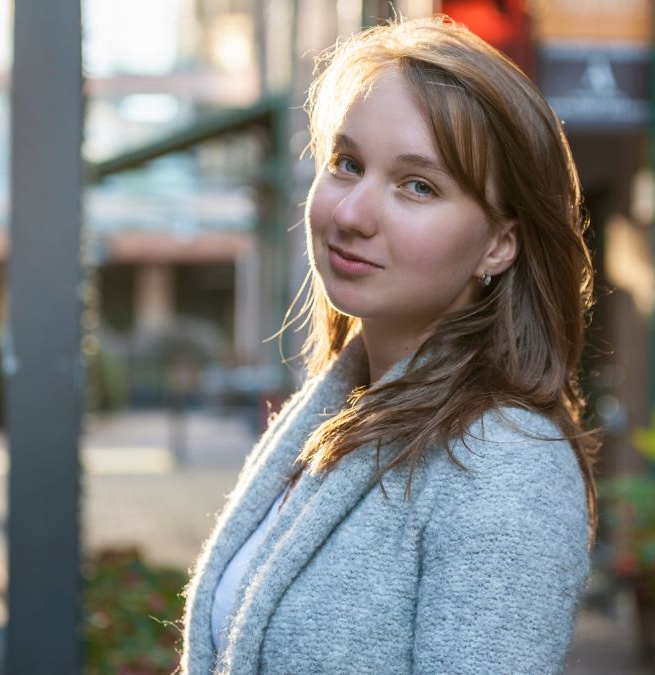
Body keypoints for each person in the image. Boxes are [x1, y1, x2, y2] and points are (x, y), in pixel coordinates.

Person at [179, 16, 597, 674]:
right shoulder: (340, 406)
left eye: (417, 185)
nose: (350, 214)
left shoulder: (505, 464)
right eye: (347, 164)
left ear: (499, 243)